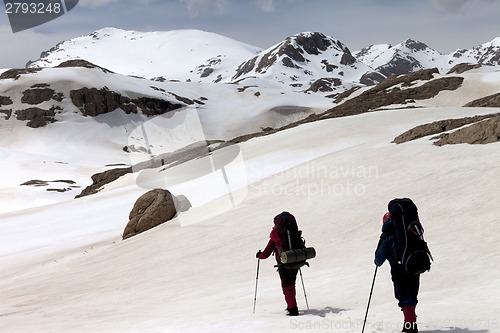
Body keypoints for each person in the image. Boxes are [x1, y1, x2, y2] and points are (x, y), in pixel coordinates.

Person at [375, 212, 419, 333]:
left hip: (398, 270)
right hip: (413, 267)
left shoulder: (387, 235)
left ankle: (410, 326)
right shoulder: (408, 230)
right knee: (411, 296)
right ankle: (409, 324)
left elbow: (378, 260)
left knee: (404, 297)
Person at [256, 212, 299, 316]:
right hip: (296, 259)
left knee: (287, 286)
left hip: (283, 263)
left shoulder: (275, 236)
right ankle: (291, 306)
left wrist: (259, 255)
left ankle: (292, 308)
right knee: (291, 284)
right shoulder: (294, 233)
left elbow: (266, 254)